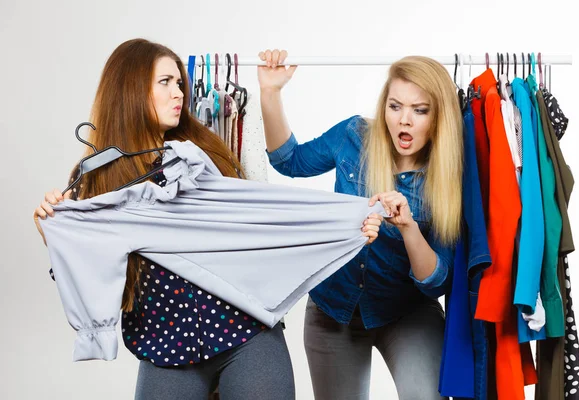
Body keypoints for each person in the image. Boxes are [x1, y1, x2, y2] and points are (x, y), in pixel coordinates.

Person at [32, 39, 383, 400]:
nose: (179, 93)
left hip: (247, 331)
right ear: (131, 90)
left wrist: (348, 224)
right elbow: (90, 271)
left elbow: (264, 221)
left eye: (180, 83)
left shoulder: (207, 152)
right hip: (164, 344)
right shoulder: (95, 179)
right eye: (165, 82)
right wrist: (57, 234)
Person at [258, 49, 463, 399]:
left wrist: (409, 227)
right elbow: (290, 161)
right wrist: (270, 93)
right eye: (395, 106)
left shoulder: (449, 176)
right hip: (332, 308)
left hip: (407, 313)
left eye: (420, 110)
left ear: (439, 116)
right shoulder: (354, 136)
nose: (404, 120)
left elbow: (437, 282)